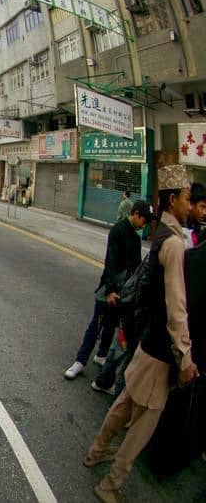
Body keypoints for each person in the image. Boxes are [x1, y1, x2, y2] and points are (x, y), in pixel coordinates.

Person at [84, 165, 196, 503]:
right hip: (160, 350)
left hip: (147, 342)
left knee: (123, 404)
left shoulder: (160, 232)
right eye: (187, 199)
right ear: (173, 199)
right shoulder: (173, 243)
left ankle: (96, 450)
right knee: (143, 425)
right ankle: (110, 485)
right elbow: (177, 304)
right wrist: (185, 355)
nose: (190, 205)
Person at [64, 200, 153, 381]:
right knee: (96, 325)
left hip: (124, 292)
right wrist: (111, 290)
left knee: (112, 325)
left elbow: (135, 268)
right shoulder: (118, 230)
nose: (144, 225)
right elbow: (110, 260)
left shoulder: (136, 239)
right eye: (144, 220)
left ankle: (102, 354)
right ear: (135, 214)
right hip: (109, 288)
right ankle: (80, 361)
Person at [185, 182, 206, 246]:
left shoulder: (196, 223)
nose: (205, 212)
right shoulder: (183, 224)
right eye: (202, 206)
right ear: (192, 204)